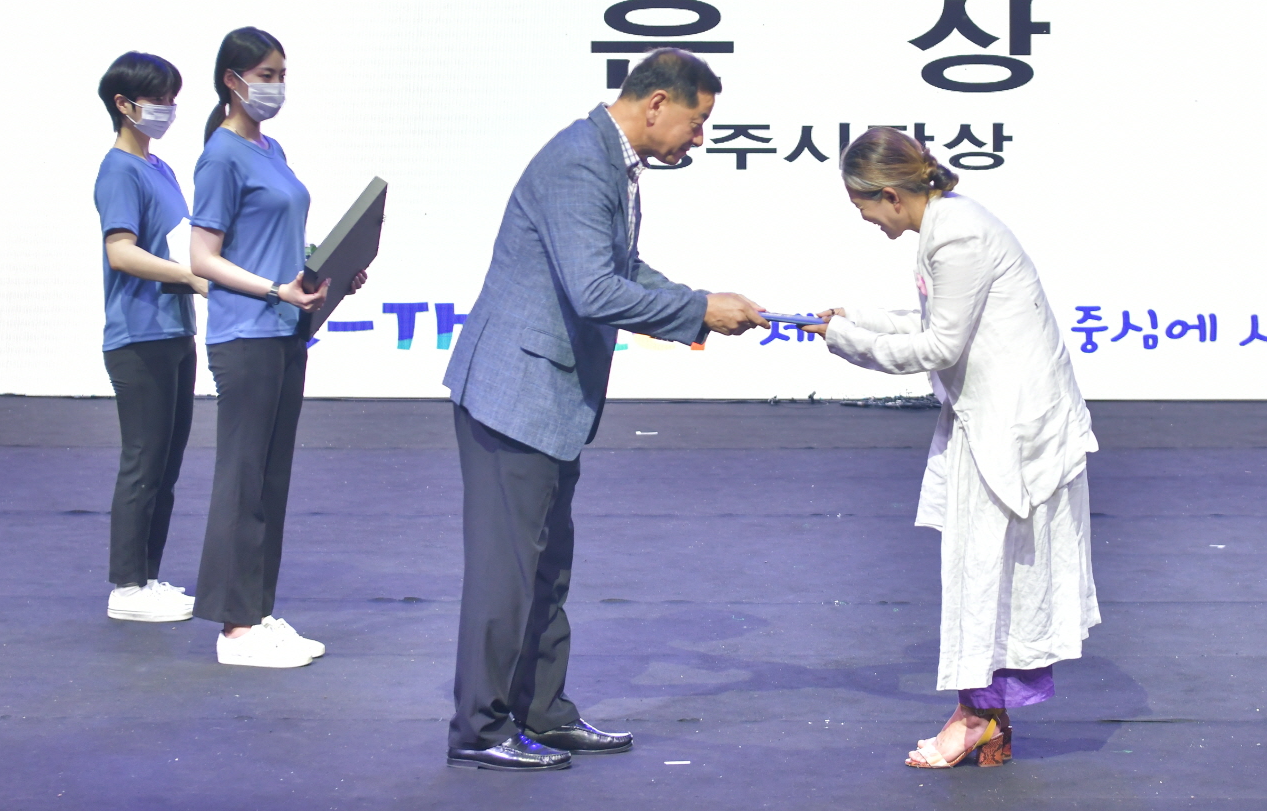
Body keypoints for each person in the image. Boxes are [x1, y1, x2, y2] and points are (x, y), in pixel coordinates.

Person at [441, 48, 767, 771]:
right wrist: (697, 311)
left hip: (546, 398)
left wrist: (701, 304)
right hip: (513, 396)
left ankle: (541, 712)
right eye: (697, 121)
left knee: (545, 569)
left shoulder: (608, 160)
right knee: (506, 574)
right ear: (657, 104)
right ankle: (480, 729)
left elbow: (621, 268)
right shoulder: (580, 161)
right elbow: (594, 290)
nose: (699, 137)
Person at [803, 127, 1100, 769]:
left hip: (1012, 425)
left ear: (888, 194)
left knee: (988, 570)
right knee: (985, 569)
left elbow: (938, 347)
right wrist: (848, 321)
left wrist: (846, 341)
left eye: (862, 206)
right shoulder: (947, 226)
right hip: (993, 416)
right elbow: (936, 324)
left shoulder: (956, 236)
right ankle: (983, 716)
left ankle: (976, 717)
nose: (865, 220)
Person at [188, 26, 366, 669]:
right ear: (232, 81)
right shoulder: (221, 156)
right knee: (243, 478)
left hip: (286, 328)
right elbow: (202, 258)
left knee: (270, 478)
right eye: (265, 76)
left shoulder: (272, 148)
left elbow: (277, 238)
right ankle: (234, 630)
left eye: (281, 75)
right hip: (245, 332)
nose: (276, 87)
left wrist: (328, 268)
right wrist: (273, 289)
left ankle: (257, 612)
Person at [95, 52, 210, 625]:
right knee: (143, 460)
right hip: (138, 335)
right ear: (124, 104)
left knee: (166, 462)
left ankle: (148, 576)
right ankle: (126, 586)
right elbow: (121, 251)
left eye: (171, 99)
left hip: (174, 328)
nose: (167, 109)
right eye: (157, 99)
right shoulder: (119, 170)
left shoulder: (158, 167)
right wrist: (191, 277)